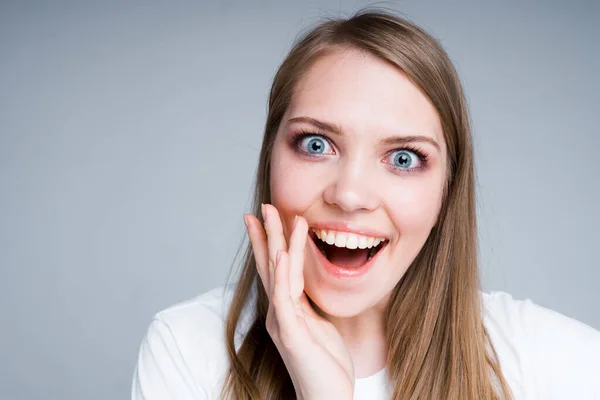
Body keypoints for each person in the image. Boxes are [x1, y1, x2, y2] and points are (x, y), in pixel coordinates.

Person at [131, 9, 600, 400]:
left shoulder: (556, 365)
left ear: (446, 191)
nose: (350, 195)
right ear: (269, 156)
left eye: (402, 158)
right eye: (316, 145)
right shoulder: (187, 349)